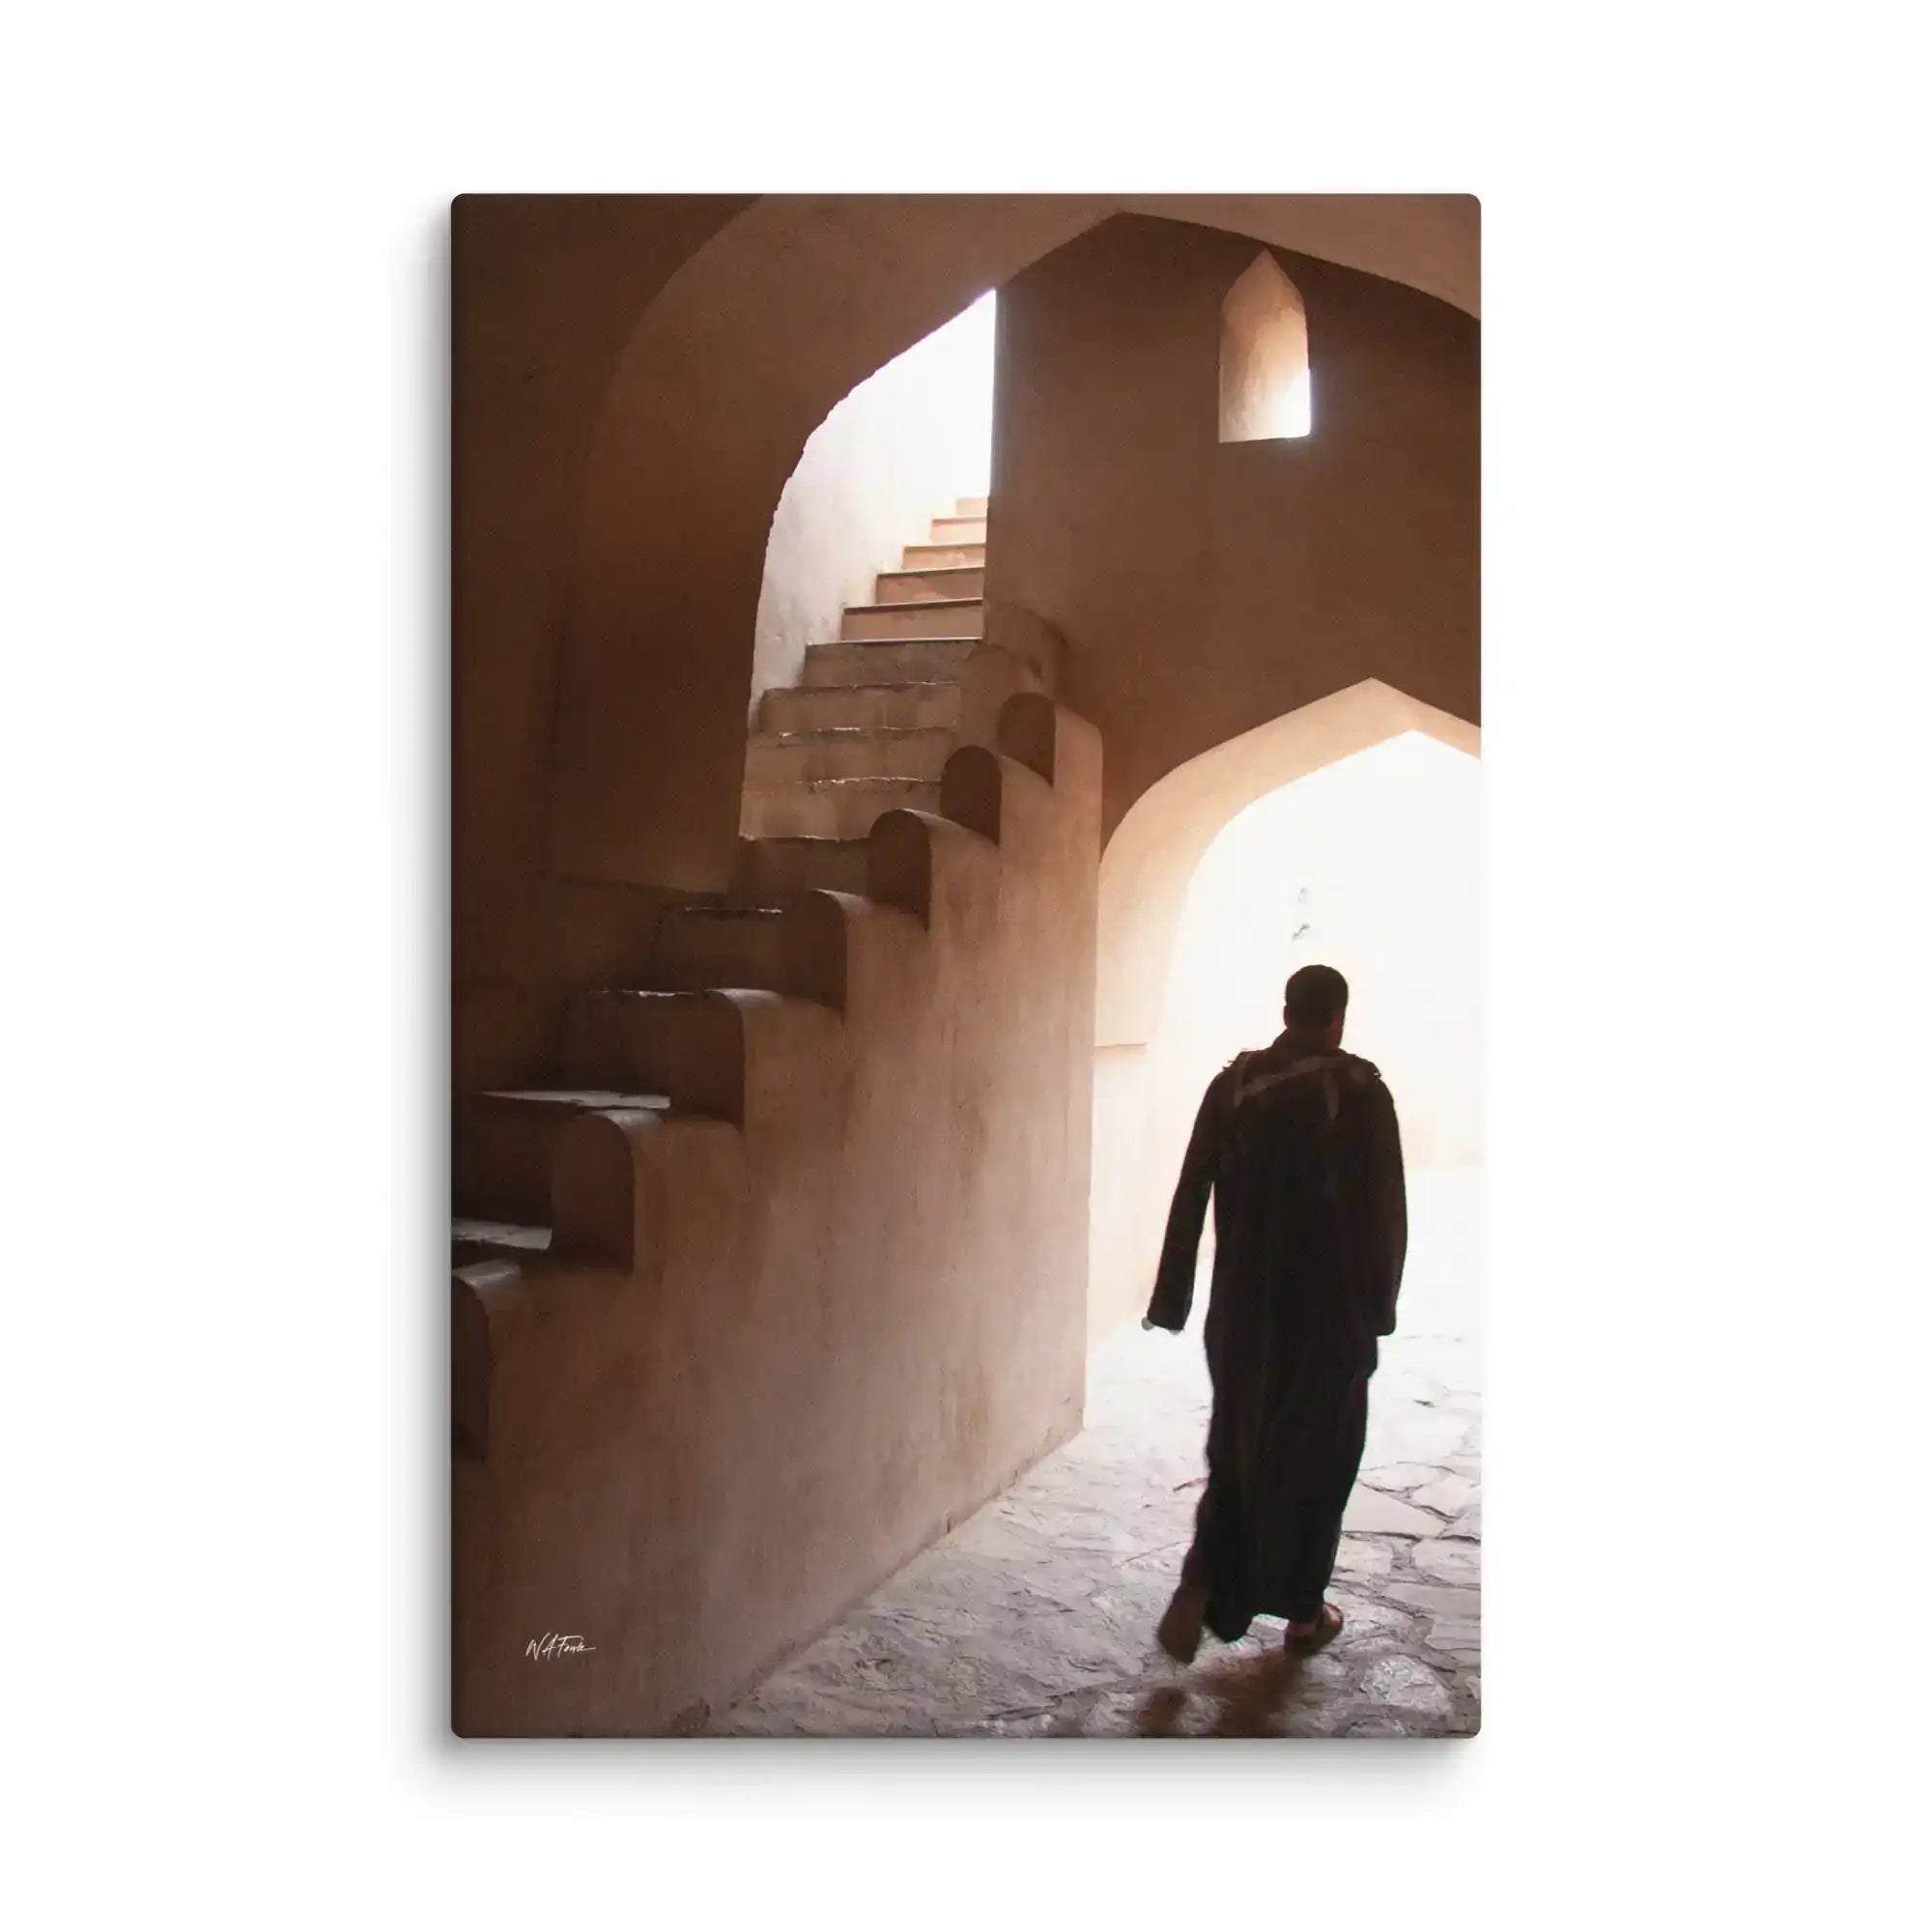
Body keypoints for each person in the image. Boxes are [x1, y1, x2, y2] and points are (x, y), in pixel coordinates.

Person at [1144, 962, 1407, 1662]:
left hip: (1242, 1312)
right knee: (1317, 1459)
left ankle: (1207, 1575)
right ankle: (1301, 1613)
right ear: (1337, 1018)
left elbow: (1190, 1189)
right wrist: (1377, 1309)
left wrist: (1172, 1299)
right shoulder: (1358, 1093)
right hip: (1327, 1315)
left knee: (1238, 1444)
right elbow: (1385, 1212)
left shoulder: (1232, 1086)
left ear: (1285, 1011)